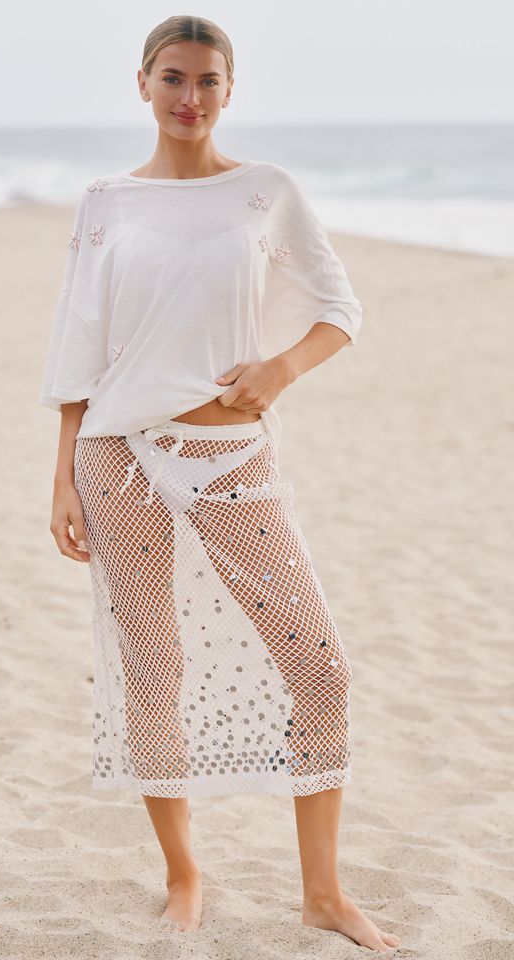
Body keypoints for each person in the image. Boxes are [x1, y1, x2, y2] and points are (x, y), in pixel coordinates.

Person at [38, 14, 400, 952]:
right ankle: (184, 874)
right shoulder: (106, 202)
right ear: (143, 83)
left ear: (230, 90)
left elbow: (339, 308)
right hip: (116, 456)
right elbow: (78, 343)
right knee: (153, 666)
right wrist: (63, 476)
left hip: (231, 455)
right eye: (173, 78)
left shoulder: (265, 192)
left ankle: (323, 893)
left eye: (207, 80)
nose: (189, 97)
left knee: (317, 663)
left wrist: (279, 371)